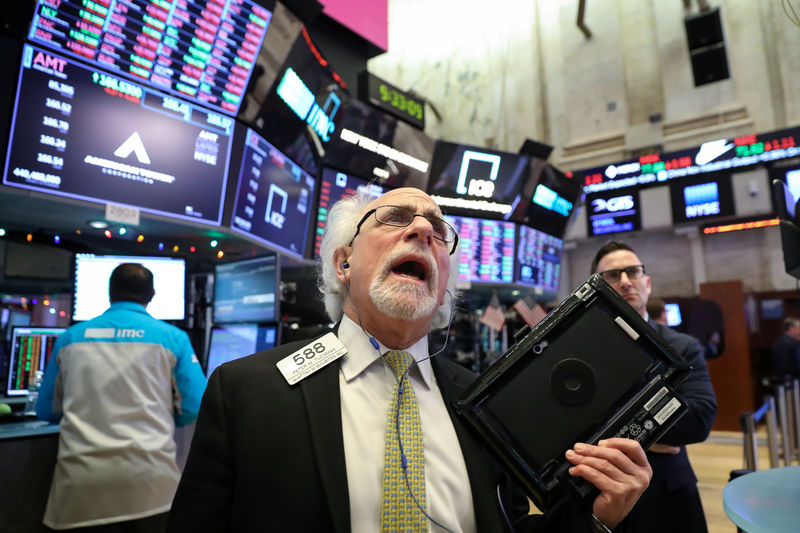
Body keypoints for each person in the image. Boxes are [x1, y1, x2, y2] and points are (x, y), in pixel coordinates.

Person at [168, 188, 652, 533]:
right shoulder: (247, 391)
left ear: (442, 285)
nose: (423, 228)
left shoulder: (483, 400)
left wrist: (598, 517)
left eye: (438, 230)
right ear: (344, 263)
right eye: (395, 217)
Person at [37, 263, 207, 532]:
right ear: (152, 294)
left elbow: (46, 410)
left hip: (80, 490)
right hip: (151, 487)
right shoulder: (173, 339)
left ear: (109, 292)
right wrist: (158, 416)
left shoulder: (70, 338)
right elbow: (194, 404)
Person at [590, 241, 717, 533]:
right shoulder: (583, 352)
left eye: (632, 272)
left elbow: (699, 418)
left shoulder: (683, 346)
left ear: (646, 282)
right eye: (612, 275)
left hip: (671, 493)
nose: (624, 282)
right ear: (597, 288)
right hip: (602, 499)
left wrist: (607, 430)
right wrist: (648, 435)